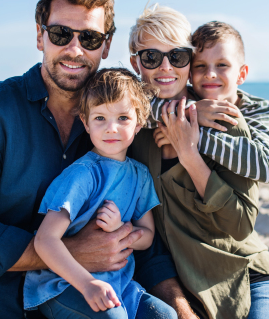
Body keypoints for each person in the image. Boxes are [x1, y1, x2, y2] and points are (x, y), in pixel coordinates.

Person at [0, 0, 190, 319]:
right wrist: (72, 252)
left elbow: (143, 240)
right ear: (40, 36)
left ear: (105, 46)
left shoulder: (115, 128)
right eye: (61, 34)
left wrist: (182, 311)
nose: (74, 49)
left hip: (80, 300)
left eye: (89, 37)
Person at [127, 5, 269, 319]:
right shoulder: (132, 128)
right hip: (185, 281)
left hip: (246, 273)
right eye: (150, 57)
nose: (164, 67)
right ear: (136, 63)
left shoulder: (223, 118)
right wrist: (179, 115)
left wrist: (189, 147)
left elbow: (242, 224)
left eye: (177, 56)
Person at [24, 68, 176, 318]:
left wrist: (119, 229)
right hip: (64, 284)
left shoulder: (140, 175)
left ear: (139, 122)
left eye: (123, 118)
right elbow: (45, 240)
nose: (111, 128)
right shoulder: (83, 175)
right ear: (85, 122)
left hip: (118, 284)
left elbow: (147, 236)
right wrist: (87, 284)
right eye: (100, 118)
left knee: (165, 315)